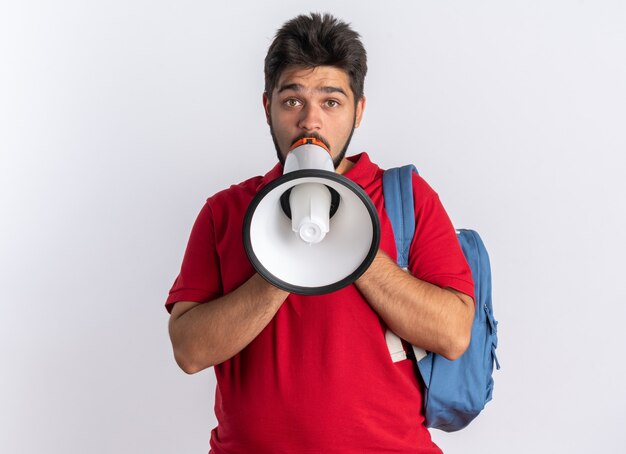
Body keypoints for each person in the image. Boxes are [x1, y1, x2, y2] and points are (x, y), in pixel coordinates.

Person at [166, 13, 475, 454]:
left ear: (358, 111)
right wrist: (284, 262)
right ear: (267, 106)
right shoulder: (225, 211)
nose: (311, 122)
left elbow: (453, 334)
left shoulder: (407, 197)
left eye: (331, 102)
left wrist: (354, 244)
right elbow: (190, 351)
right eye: (292, 100)